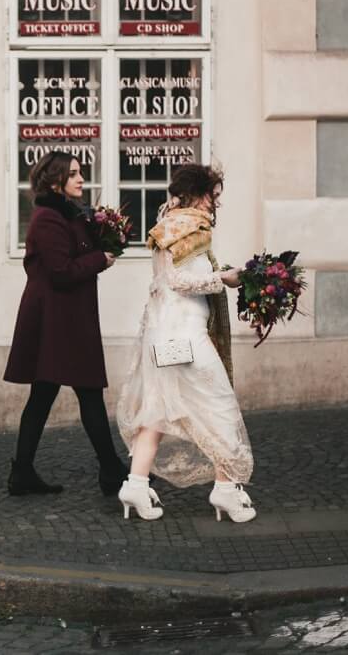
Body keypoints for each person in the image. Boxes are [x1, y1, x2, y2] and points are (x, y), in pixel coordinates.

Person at [116, 163, 256, 523]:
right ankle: (225, 491)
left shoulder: (166, 223)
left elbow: (168, 281)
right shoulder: (193, 224)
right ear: (198, 193)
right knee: (221, 409)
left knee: (158, 411)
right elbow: (178, 280)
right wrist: (223, 278)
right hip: (187, 336)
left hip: (161, 335)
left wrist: (213, 275)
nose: (215, 205)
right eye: (214, 196)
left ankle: (135, 483)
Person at [3, 151, 127, 497]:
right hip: (57, 322)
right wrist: (100, 259)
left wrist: (105, 237)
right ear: (56, 180)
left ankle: (23, 473)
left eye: (81, 172)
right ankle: (112, 471)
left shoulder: (67, 213)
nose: (81, 179)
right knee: (86, 392)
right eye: (73, 174)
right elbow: (61, 271)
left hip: (65, 318)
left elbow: (74, 256)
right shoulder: (48, 218)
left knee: (44, 396)